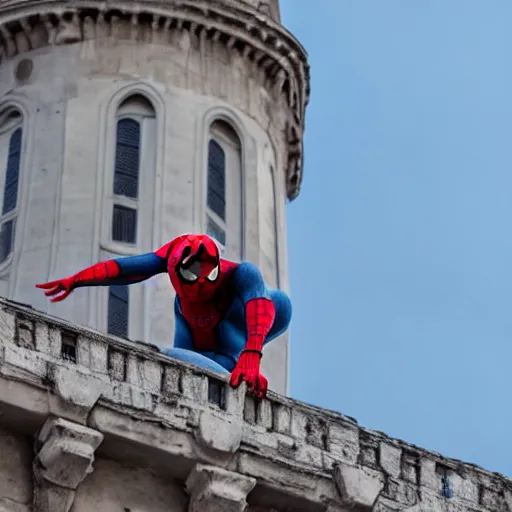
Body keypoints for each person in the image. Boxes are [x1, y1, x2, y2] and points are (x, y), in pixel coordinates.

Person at [36, 233, 292, 398]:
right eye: (193, 272)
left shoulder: (240, 275)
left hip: (229, 341)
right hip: (192, 334)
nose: (202, 282)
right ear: (177, 267)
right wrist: (77, 280)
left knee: (275, 303)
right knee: (178, 362)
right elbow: (123, 269)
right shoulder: (170, 257)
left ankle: (229, 368)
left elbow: (261, 303)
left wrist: (251, 356)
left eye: (208, 273)